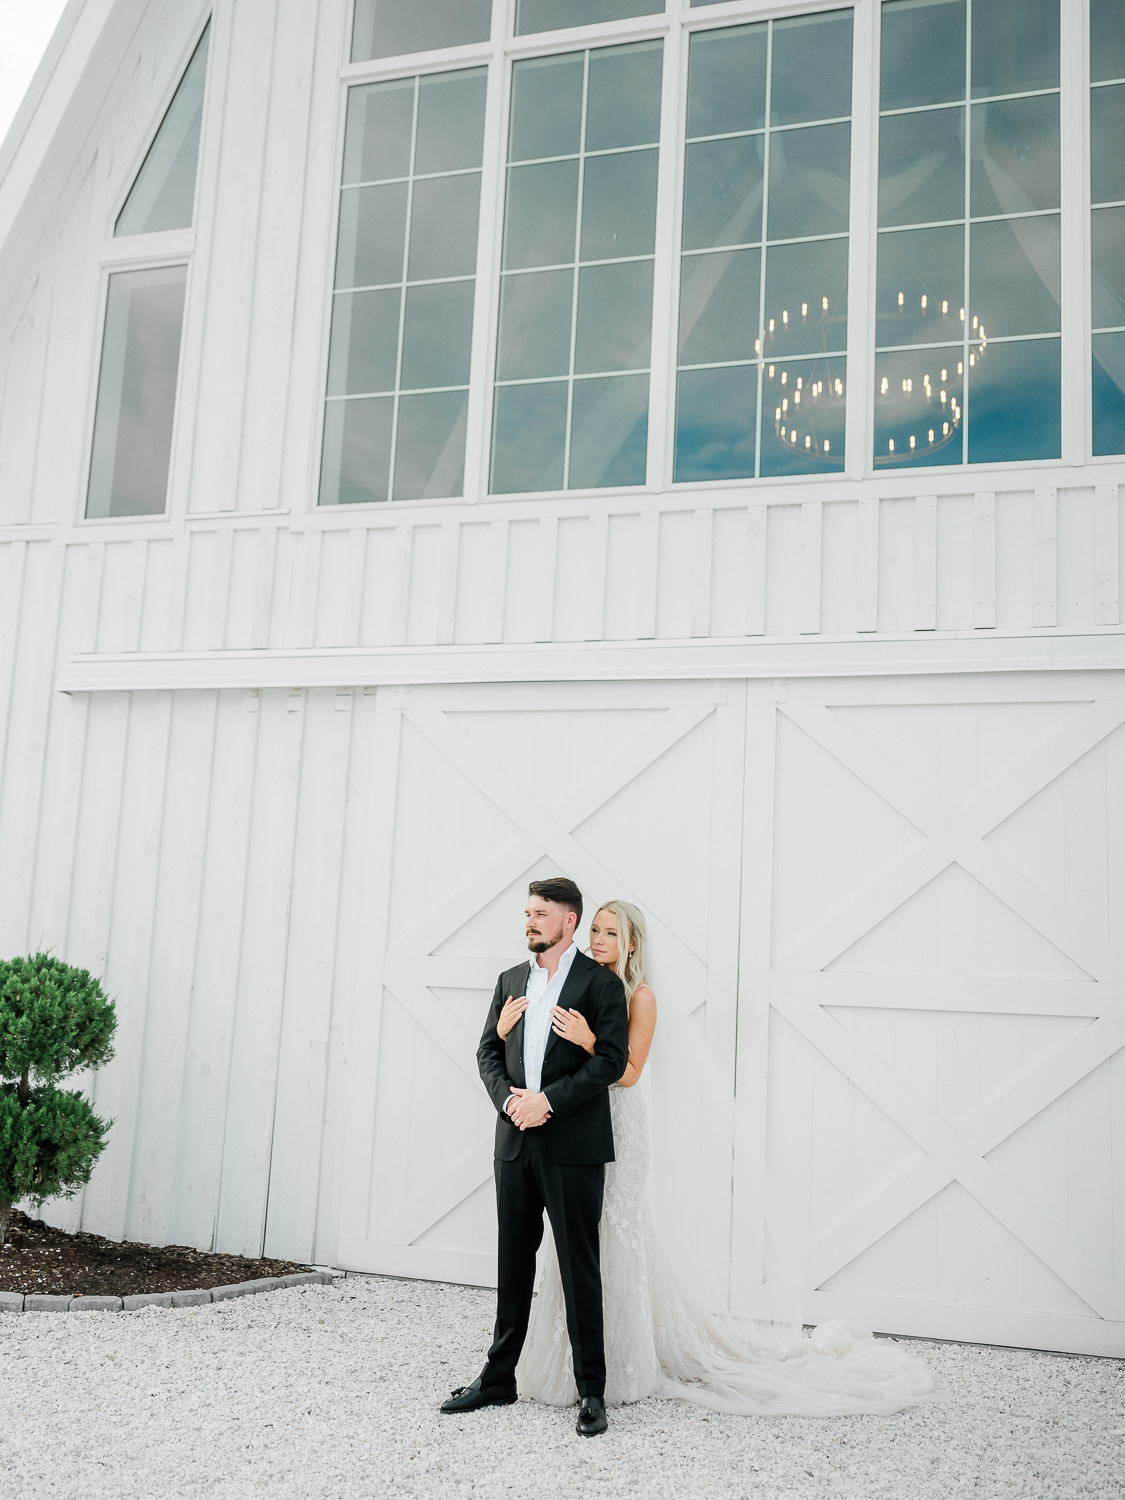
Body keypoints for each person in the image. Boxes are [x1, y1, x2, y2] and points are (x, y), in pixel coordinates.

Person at [513, 899, 941, 1417]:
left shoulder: (639, 997)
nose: (599, 940)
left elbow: (628, 1073)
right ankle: (567, 1361)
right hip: (573, 1124)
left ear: (632, 944)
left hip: (618, 1129)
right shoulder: (574, 982)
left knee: (614, 1233)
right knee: (575, 1239)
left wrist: (585, 1040)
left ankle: (623, 1361)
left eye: (611, 933)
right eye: (596, 930)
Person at [440, 877, 629, 1437]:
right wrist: (510, 1103)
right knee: (513, 1266)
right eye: (527, 912)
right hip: (515, 1142)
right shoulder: (509, 981)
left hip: (572, 1146)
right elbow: (486, 1052)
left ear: (568, 921)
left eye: (540, 913)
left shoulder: (600, 985)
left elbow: (612, 1062)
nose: (529, 921)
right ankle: (499, 1378)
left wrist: (549, 1103)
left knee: (579, 1269)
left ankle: (591, 1391)